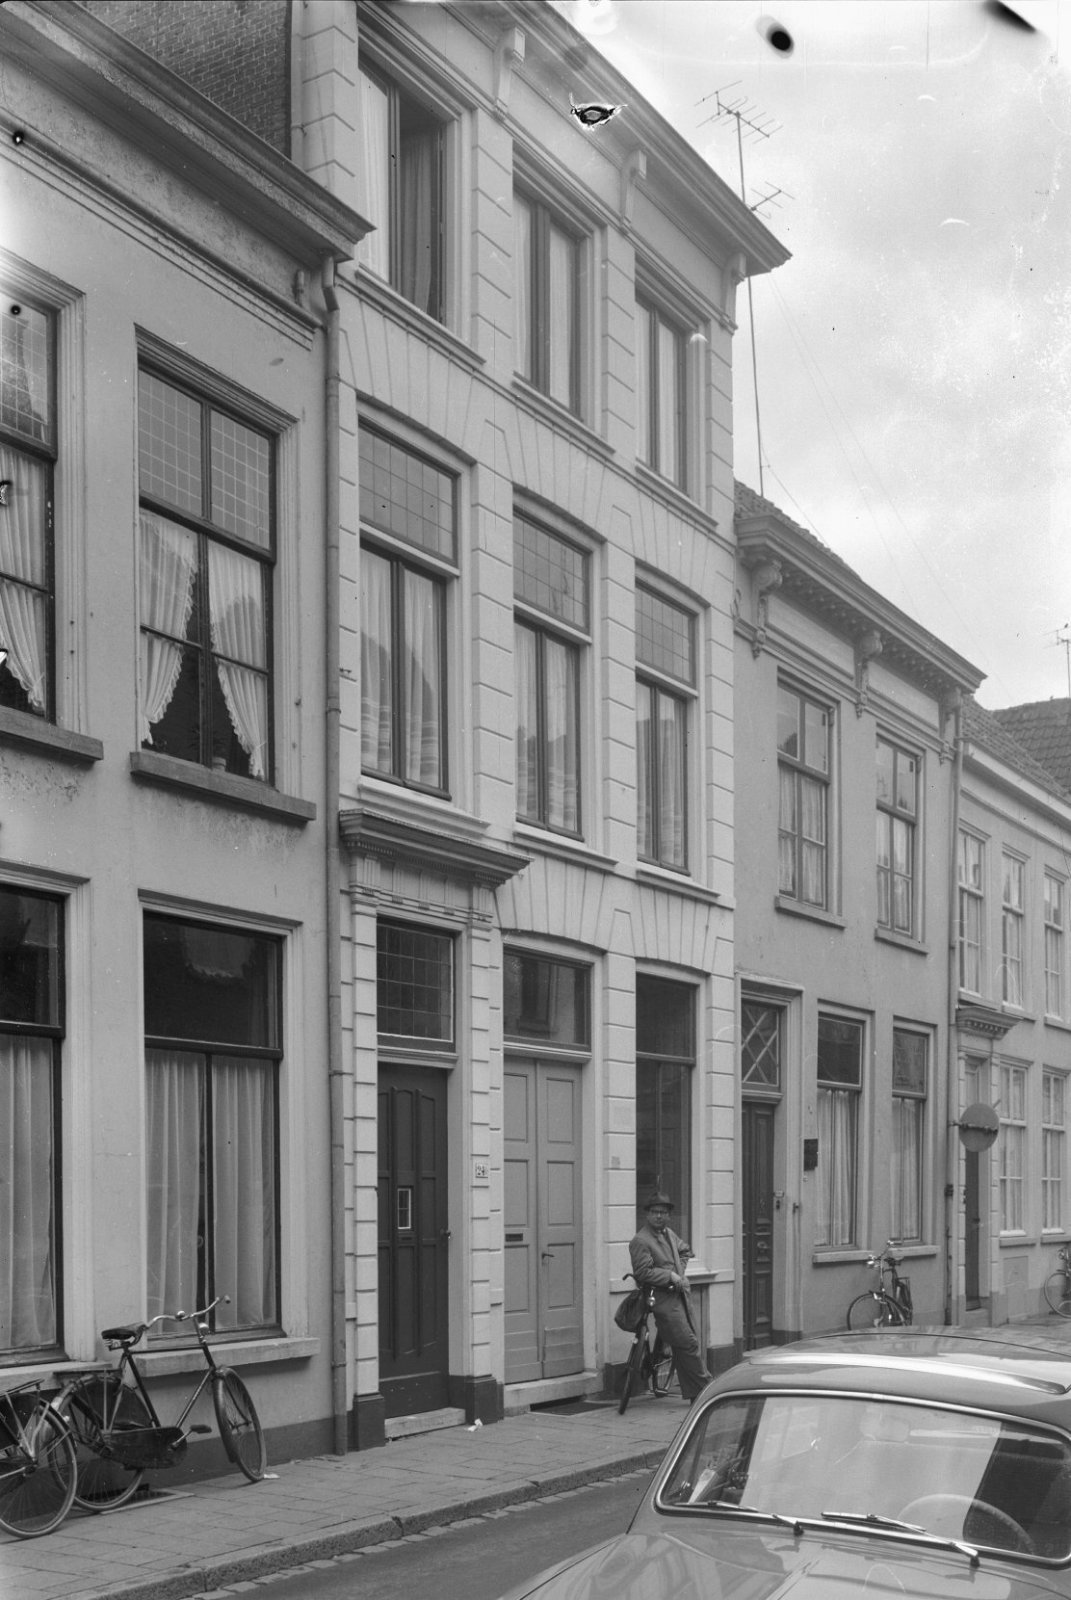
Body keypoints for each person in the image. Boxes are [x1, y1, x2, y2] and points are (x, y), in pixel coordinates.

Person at [629, 1190, 711, 1402]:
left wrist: (679, 1271)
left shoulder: (669, 1234)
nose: (659, 1216)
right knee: (688, 1343)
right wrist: (670, 1275)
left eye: (663, 1212)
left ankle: (695, 1393)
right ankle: (706, 1391)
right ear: (647, 1214)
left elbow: (685, 1251)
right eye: (655, 1212)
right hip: (661, 1299)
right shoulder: (641, 1240)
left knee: (686, 1344)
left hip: (680, 1296)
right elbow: (642, 1272)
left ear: (668, 1215)